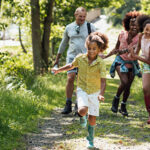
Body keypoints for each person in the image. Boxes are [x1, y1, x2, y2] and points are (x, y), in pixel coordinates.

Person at [52, 32, 108, 148]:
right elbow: (70, 66)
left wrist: (101, 94)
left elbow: (103, 81)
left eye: (94, 49)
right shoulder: (80, 58)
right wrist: (58, 70)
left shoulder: (101, 63)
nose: (91, 51)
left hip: (95, 92)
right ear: (86, 47)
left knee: (92, 118)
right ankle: (82, 117)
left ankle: (90, 140)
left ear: (99, 49)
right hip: (82, 89)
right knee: (82, 110)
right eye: (89, 48)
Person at [53, 7, 96, 114]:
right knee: (70, 78)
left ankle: (79, 103)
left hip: (85, 58)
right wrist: (57, 59)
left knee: (81, 82)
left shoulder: (90, 27)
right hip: (71, 57)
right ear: (75, 15)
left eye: (84, 16)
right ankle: (68, 103)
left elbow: (98, 41)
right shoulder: (69, 27)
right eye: (80, 16)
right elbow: (63, 44)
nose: (82, 18)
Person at [102, 11, 141, 117]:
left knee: (128, 86)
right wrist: (105, 56)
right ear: (128, 24)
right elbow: (116, 49)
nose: (134, 26)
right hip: (120, 60)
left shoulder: (140, 37)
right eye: (132, 24)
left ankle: (123, 106)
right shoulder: (122, 34)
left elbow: (137, 52)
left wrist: (132, 51)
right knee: (124, 82)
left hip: (132, 62)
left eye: (137, 24)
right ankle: (116, 99)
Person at [130, 14, 150, 124]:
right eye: (147, 29)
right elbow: (138, 49)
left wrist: (136, 56)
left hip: (148, 62)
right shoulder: (141, 36)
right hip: (146, 66)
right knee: (146, 89)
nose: (148, 32)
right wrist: (132, 53)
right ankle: (149, 114)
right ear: (143, 28)